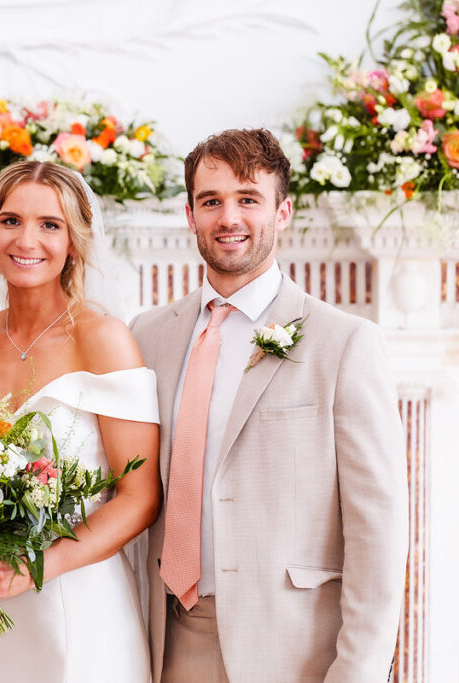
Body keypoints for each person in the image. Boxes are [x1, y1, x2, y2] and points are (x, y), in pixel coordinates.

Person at [129, 128, 408, 682]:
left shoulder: (344, 343)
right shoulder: (147, 335)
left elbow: (379, 532)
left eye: (248, 199)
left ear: (282, 212)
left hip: (295, 651)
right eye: (211, 201)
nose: (228, 218)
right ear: (190, 216)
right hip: (170, 640)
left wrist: (357, 672)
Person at [0, 160, 161, 682]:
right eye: (12, 220)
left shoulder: (103, 337)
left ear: (74, 241)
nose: (27, 239)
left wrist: (31, 569)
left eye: (50, 225)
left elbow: (140, 498)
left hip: (80, 601)